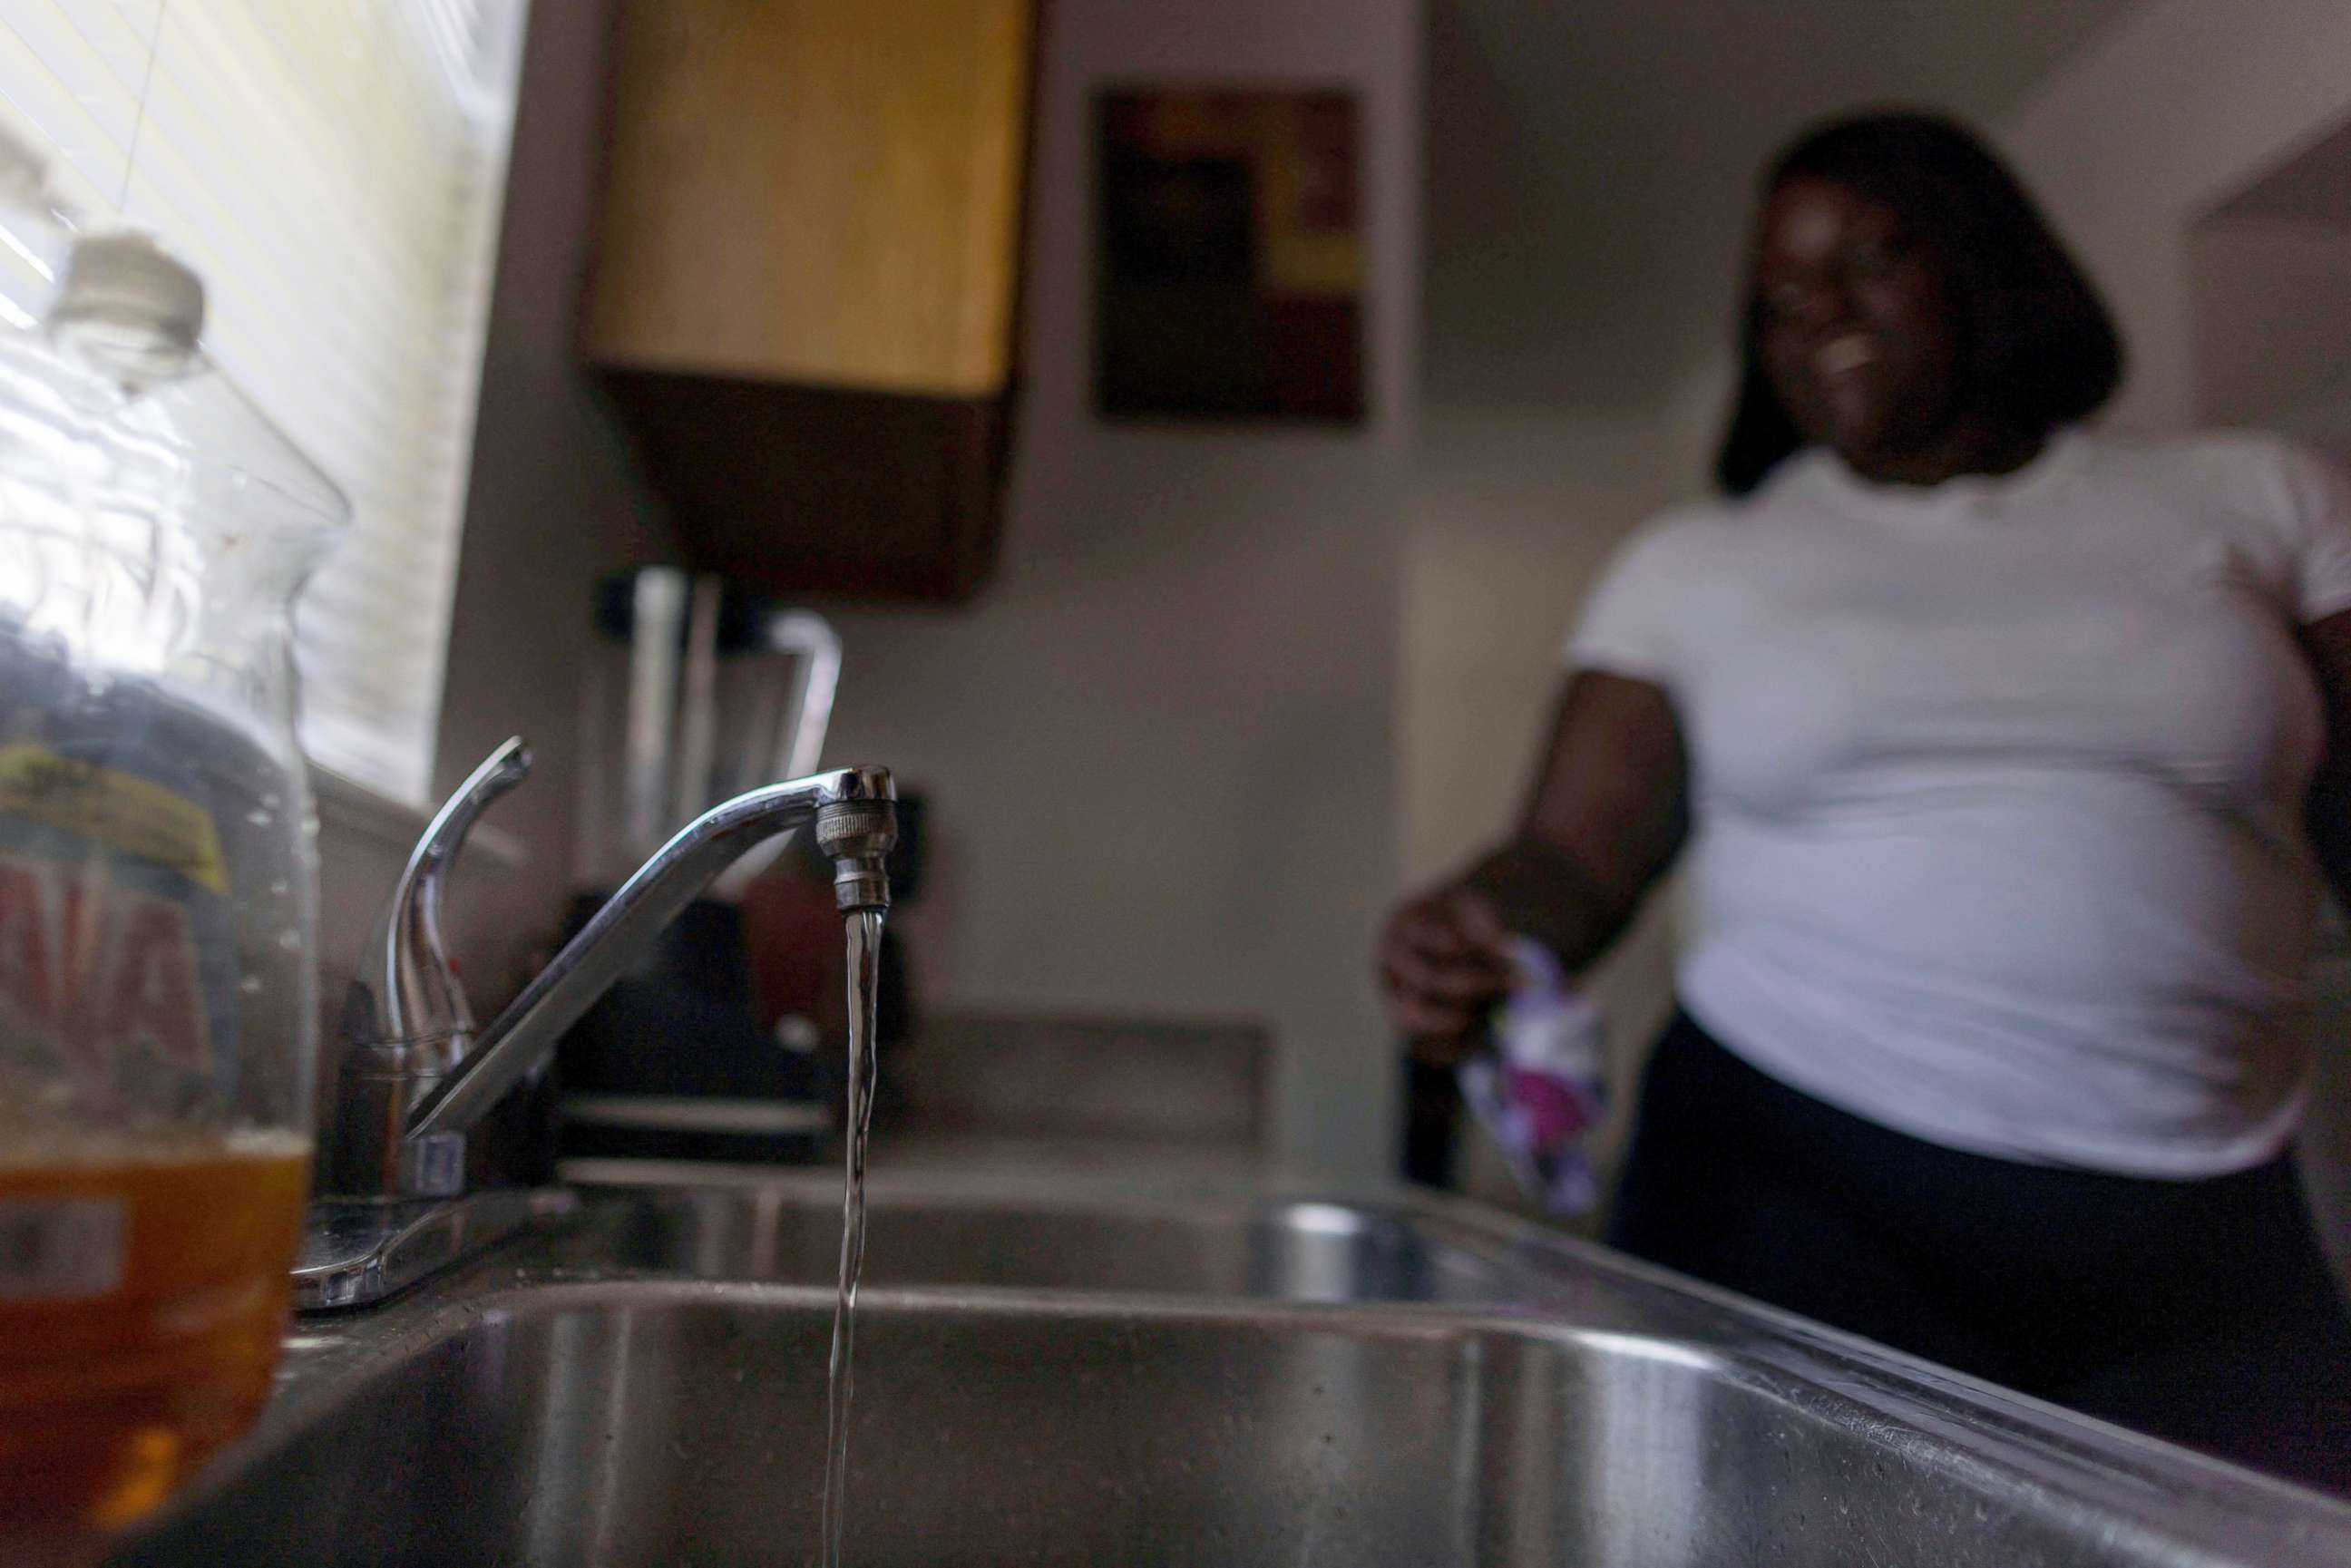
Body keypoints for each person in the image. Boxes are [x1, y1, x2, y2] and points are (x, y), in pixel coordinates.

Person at [1377, 111, 2351, 1488]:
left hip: (2198, 1223)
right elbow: (1572, 857)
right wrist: (1474, 921)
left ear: (1989, 258)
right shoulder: (1698, 565)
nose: (1816, 313)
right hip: (1797, 1182)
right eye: (1778, 296)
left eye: (1868, 260)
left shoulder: (2260, 500)